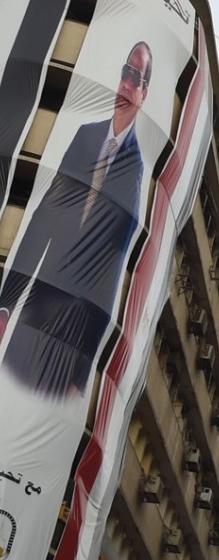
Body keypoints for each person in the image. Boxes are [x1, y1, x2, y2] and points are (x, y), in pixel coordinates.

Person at [0, 42, 151, 399]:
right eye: (125, 73)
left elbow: (111, 272)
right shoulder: (85, 137)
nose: (127, 85)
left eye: (137, 78)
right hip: (35, 307)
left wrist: (82, 372)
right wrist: (6, 302)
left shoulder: (136, 170)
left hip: (72, 337)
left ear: (144, 94)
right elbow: (42, 222)